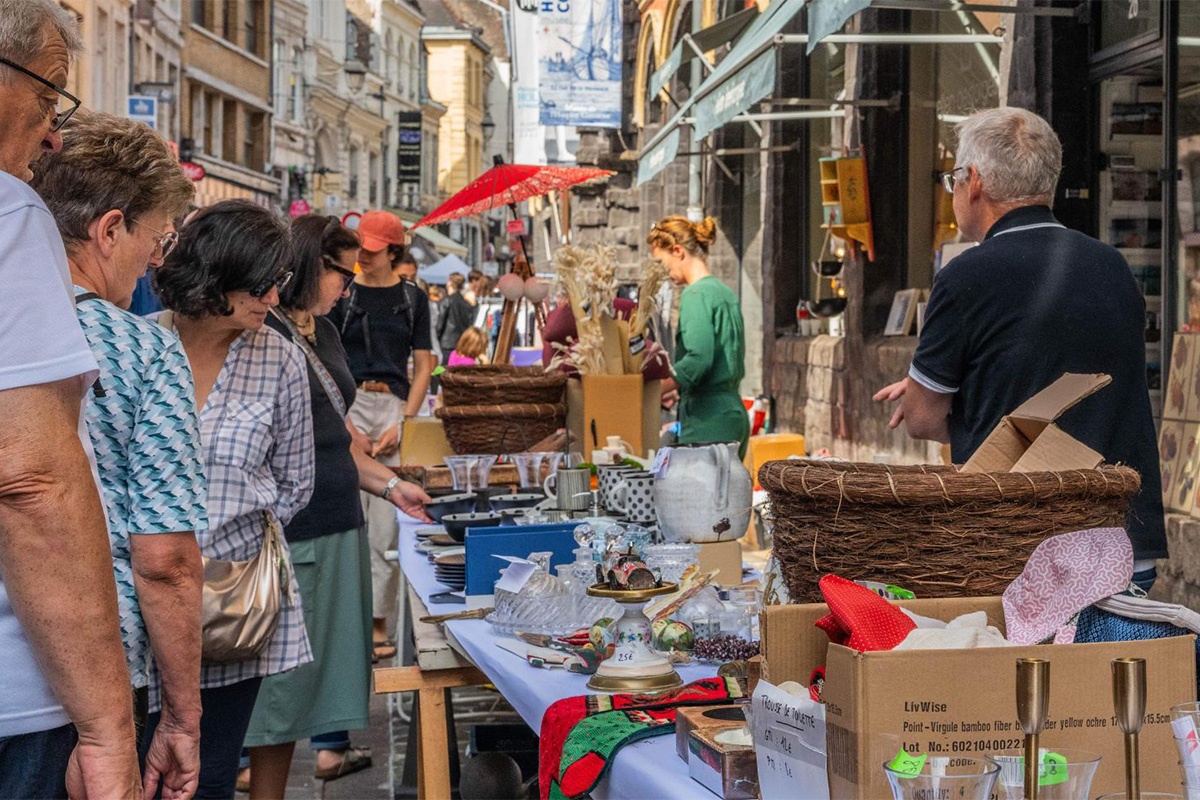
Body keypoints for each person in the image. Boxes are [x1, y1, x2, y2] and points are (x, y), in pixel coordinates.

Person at [874, 107, 1166, 586]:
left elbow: (923, 420)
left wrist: (936, 396)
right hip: (1121, 544)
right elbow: (1057, 357)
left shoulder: (965, 277)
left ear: (973, 181)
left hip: (1023, 547)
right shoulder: (1111, 265)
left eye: (952, 180)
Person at [31, 110, 206, 798]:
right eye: (157, 239)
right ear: (109, 231)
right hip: (89, 685)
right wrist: (183, 717)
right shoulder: (143, 350)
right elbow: (165, 560)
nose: (155, 262)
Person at [0, 2, 142, 797]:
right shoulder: (9, 211)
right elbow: (30, 481)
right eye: (49, 95)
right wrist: (108, 730)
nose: (53, 132)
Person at [242, 215, 432, 797]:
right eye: (343, 275)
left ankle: (317, 758)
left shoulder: (321, 330)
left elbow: (336, 437)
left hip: (336, 519)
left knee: (317, 683)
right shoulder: (265, 329)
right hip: (290, 531)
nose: (349, 288)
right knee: (277, 694)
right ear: (309, 265)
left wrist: (390, 486)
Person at [146, 199, 315, 798]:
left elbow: (296, 482)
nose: (274, 296)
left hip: (231, 605)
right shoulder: (142, 346)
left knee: (209, 776)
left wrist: (231, 532)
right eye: (262, 282)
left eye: (279, 281)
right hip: (140, 600)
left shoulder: (280, 357)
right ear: (217, 275)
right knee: (134, 768)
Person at [327, 209, 434, 660]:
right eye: (361, 248)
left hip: (393, 403)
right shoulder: (342, 291)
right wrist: (345, 422)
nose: (364, 257)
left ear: (393, 251)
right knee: (346, 515)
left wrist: (405, 420)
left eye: (372, 250)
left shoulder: (412, 297)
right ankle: (345, 622)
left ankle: (376, 624)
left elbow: (424, 364)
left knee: (385, 527)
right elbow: (326, 357)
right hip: (347, 403)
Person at [647, 215, 749, 458]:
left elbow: (698, 359)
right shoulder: (724, 292)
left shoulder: (695, 294)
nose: (664, 272)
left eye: (662, 262)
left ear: (678, 251)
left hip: (707, 420)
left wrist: (658, 389)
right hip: (733, 413)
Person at [438, 269, 482, 363]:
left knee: (443, 368)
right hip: (462, 342)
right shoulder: (466, 302)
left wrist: (436, 339)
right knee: (457, 368)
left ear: (450, 283)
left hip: (447, 343)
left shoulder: (447, 301)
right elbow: (470, 322)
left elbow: (439, 324)